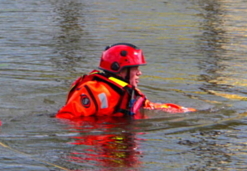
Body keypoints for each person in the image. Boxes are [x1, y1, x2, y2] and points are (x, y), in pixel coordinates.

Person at [57, 43, 195, 118]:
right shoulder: (92, 90)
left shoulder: (129, 92)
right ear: (120, 69)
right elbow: (66, 118)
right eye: (135, 68)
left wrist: (184, 110)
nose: (139, 73)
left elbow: (149, 107)